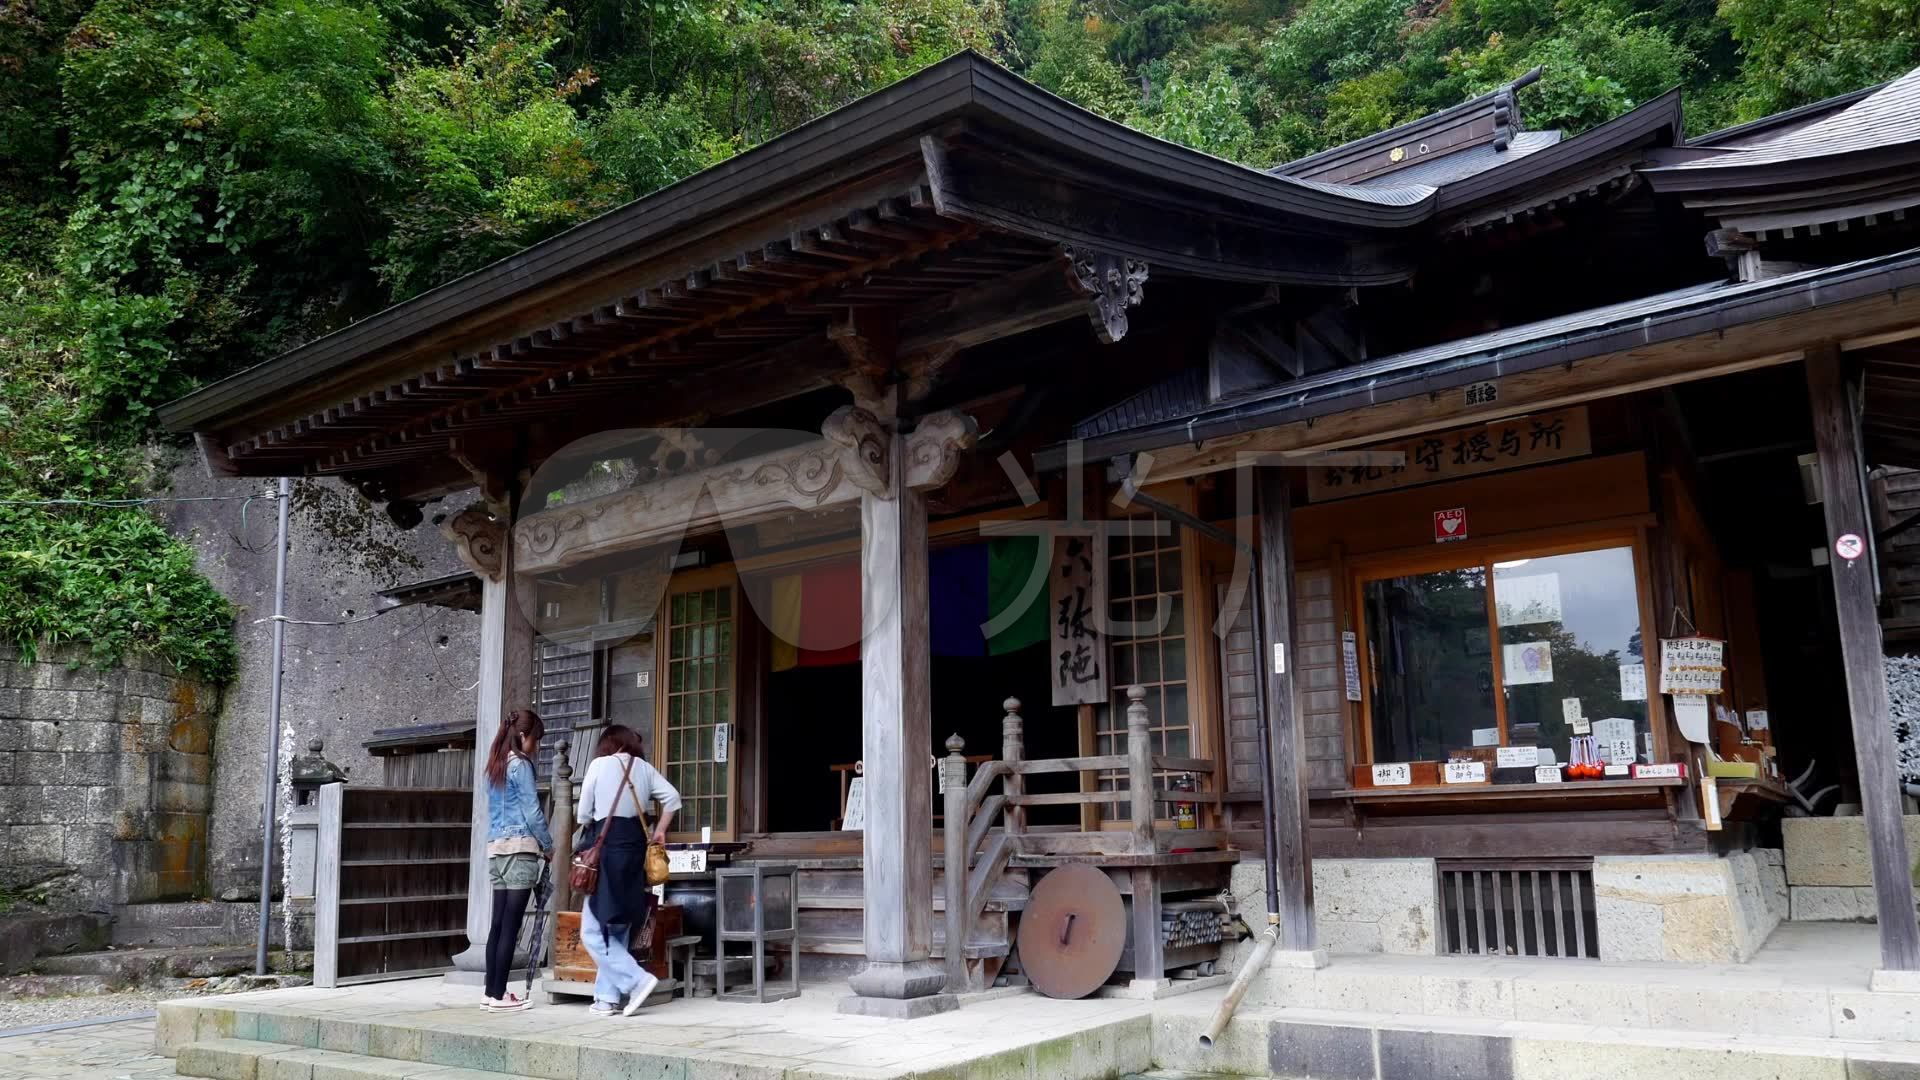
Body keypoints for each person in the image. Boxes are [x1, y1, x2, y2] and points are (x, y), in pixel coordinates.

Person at [575, 724, 680, 1017]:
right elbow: (673, 798)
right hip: (635, 850)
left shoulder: (599, 765)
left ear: (608, 744)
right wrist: (659, 831)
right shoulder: (644, 768)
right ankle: (606, 998)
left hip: (607, 849)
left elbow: (583, 814)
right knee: (618, 925)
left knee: (593, 930)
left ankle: (638, 980)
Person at [481, 708, 553, 1011]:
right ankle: (499, 996)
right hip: (520, 849)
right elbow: (532, 812)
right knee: (511, 927)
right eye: (534, 739)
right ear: (523, 735)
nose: (535, 746)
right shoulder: (519, 766)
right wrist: (548, 845)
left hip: (496, 850)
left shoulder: (495, 765)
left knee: (497, 925)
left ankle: (490, 992)